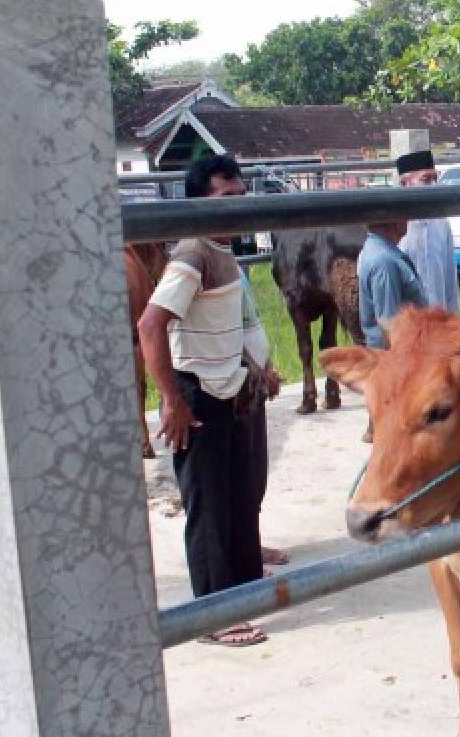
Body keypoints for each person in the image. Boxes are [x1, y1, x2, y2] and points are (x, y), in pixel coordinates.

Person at [138, 154, 273, 647]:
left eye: (240, 197)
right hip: (197, 394)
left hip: (229, 387)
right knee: (209, 505)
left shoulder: (224, 250)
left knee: (238, 497)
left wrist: (256, 368)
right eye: (224, 199)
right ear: (200, 203)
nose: (236, 207)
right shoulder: (193, 254)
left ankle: (242, 596)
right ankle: (212, 617)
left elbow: (229, 324)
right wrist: (171, 401)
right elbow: (151, 325)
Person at [397, 150, 460, 312]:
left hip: (438, 316)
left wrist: (453, 318)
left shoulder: (441, 222)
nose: (432, 185)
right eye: (426, 179)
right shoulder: (394, 224)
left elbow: (450, 276)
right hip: (407, 320)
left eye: (434, 179)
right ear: (405, 184)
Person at [358, 219, 427, 349]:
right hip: (399, 358)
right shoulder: (385, 262)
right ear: (393, 219)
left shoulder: (383, 253)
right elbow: (390, 327)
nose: (408, 219)